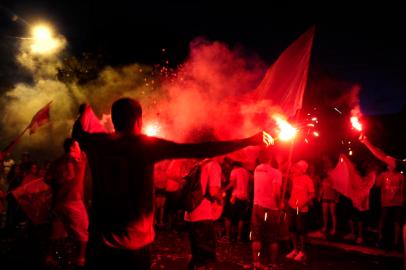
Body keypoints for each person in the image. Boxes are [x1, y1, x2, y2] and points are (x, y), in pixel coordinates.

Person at [72, 98, 273, 269]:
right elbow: (202, 150)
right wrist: (248, 140)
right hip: (134, 249)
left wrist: (85, 111)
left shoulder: (97, 143)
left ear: (114, 120)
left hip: (99, 245)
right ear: (139, 120)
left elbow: (78, 132)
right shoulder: (144, 146)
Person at [45, 138, 89, 268]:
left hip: (59, 202)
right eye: (78, 146)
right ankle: (80, 260)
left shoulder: (57, 162)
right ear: (72, 148)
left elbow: (47, 179)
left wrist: (57, 186)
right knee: (83, 231)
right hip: (73, 201)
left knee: (57, 232)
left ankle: (49, 257)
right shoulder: (79, 159)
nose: (80, 149)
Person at [251, 150, 282, 269]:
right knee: (272, 238)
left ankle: (256, 262)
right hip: (270, 207)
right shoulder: (276, 173)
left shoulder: (257, 169)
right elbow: (276, 193)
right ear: (271, 157)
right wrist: (280, 205)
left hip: (256, 207)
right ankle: (272, 264)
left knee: (256, 237)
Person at [285, 160, 315, 263]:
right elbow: (285, 174)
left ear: (302, 170)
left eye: (298, 167)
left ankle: (302, 252)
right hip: (291, 206)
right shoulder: (294, 177)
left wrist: (303, 203)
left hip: (301, 209)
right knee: (292, 229)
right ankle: (295, 249)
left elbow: (312, 194)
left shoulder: (308, 180)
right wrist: (288, 166)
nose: (296, 169)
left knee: (301, 231)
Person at [223, 161, 251, 242]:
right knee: (241, 218)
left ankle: (228, 237)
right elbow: (249, 185)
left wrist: (223, 189)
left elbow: (232, 184)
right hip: (244, 198)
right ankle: (239, 237)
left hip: (235, 197)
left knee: (227, 216)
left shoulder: (234, 171)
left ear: (234, 165)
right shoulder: (246, 172)